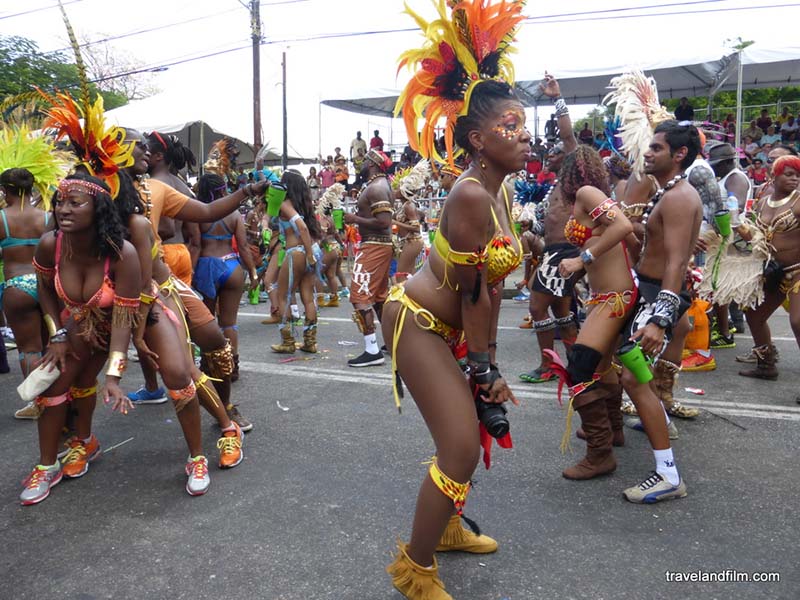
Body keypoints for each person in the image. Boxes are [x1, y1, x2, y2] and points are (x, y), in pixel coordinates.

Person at [385, 2, 526, 597]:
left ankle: (445, 530)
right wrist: (485, 368)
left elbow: (488, 290)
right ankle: (413, 570)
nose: (522, 136)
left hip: (453, 327)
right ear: (476, 139)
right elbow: (474, 291)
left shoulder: (502, 190)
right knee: (462, 446)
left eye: (524, 124)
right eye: (508, 128)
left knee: (462, 440)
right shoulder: (471, 195)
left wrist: (484, 359)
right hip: (418, 322)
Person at [21, 173, 141, 505]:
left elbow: (123, 318)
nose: (64, 209)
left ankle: (214, 434)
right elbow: (45, 289)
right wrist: (56, 333)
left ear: (98, 208)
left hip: (127, 321)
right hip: (76, 323)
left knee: (177, 373)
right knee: (54, 384)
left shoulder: (121, 252)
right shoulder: (51, 244)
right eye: (60, 202)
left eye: (76, 203)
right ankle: (52, 463)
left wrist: (114, 376)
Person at [617, 120, 701, 503]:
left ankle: (668, 475)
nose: (647, 153)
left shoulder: (680, 197)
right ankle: (662, 421)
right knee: (632, 374)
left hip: (659, 297)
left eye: (656, 148)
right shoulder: (667, 193)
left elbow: (677, 261)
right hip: (647, 290)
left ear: (679, 154)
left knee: (633, 380)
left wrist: (659, 318)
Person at [548, 145, 635, 479]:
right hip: (605, 294)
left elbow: (623, 227)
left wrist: (580, 260)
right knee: (601, 365)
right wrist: (578, 271)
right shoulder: (590, 196)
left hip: (616, 295)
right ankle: (613, 430)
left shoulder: (587, 192)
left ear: (571, 171)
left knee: (580, 366)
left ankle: (600, 454)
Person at [0, 128, 67, 418]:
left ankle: (37, 402)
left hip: (17, 286)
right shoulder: (48, 217)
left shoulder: (1, 218)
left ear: (6, 190)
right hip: (47, 284)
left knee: (28, 348)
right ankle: (58, 396)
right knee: (52, 343)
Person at [519, 73, 580, 384]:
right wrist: (533, 225)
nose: (550, 156)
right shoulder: (554, 187)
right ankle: (572, 364)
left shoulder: (572, 174)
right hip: (556, 251)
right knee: (562, 312)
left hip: (566, 253)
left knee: (536, 305)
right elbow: (550, 226)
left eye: (555, 152)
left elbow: (568, 137)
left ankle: (548, 367)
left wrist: (557, 97)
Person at [737, 155, 800, 384]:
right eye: (789, 174)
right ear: (774, 176)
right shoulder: (762, 201)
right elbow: (755, 235)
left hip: (798, 272)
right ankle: (766, 364)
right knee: (754, 314)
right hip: (774, 271)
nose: (794, 179)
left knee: (798, 320)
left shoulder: (798, 200)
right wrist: (735, 224)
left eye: (797, 175)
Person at [193, 173, 258, 375]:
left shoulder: (198, 213)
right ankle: (231, 368)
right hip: (232, 266)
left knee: (207, 322)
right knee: (229, 323)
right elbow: (244, 246)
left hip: (206, 267)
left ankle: (210, 367)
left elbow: (195, 245)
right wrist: (254, 274)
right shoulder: (234, 214)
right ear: (223, 189)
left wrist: (189, 274)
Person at [343, 149, 395, 367]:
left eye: (364, 160)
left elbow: (384, 222)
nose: (361, 164)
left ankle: (372, 350)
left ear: (372, 163)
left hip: (374, 246)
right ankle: (392, 344)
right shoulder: (380, 185)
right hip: (378, 246)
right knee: (379, 297)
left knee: (360, 297)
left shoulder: (377, 187)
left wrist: (353, 218)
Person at [269, 170, 322, 354]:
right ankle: (310, 342)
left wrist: (308, 254)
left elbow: (302, 228)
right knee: (308, 296)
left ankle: (288, 342)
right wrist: (311, 254)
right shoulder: (304, 205)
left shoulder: (286, 204)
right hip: (310, 250)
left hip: (298, 252)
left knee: (283, 295)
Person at [392, 160, 429, 283]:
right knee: (409, 275)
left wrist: (394, 222)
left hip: (412, 241)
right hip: (409, 241)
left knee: (401, 275)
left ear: (403, 191)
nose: (394, 190)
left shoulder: (409, 205)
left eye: (396, 188)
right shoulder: (405, 205)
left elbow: (416, 228)